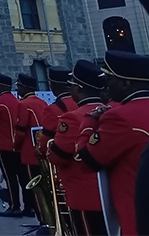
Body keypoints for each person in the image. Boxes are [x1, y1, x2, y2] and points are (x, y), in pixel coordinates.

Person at [77, 50, 149, 236]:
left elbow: (88, 161)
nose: (106, 86)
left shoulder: (119, 117)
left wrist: (89, 122)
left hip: (138, 218)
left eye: (110, 78)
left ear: (125, 83)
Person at [45, 60, 106, 236]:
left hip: (85, 195)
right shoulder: (112, 110)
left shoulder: (72, 118)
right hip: (111, 194)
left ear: (78, 89)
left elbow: (58, 156)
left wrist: (48, 149)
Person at [0, 73, 24, 217]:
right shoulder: (17, 101)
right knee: (22, 177)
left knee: (10, 177)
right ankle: (30, 206)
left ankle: (14, 206)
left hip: (4, 144)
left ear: (2, 86)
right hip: (18, 144)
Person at [15, 73, 49, 221]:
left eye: (19, 86)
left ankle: (42, 218)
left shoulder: (23, 104)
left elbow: (20, 130)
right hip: (43, 150)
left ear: (24, 87)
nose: (18, 89)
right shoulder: (42, 102)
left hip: (29, 151)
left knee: (34, 188)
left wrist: (15, 146)